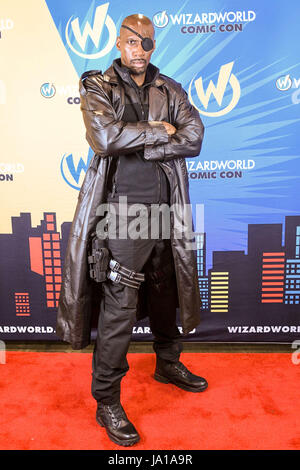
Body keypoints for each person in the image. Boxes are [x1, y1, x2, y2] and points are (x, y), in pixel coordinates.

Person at [56, 13, 207, 447]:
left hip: (166, 211)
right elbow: (104, 138)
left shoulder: (168, 87)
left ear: (153, 45)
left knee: (165, 292)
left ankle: (167, 362)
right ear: (119, 43)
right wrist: (160, 129)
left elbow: (194, 136)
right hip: (121, 216)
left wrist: (139, 135)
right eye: (132, 42)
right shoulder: (98, 86)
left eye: (147, 43)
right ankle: (106, 400)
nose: (140, 50)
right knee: (120, 308)